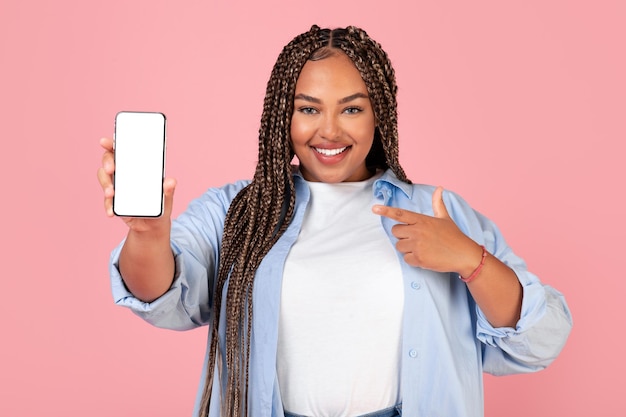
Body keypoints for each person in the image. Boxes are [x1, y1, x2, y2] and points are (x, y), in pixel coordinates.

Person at [97, 25, 572, 417]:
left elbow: (539, 340)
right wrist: (147, 232)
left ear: (377, 115)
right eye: (308, 109)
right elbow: (161, 297)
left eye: (351, 108)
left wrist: (470, 259)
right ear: (283, 116)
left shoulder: (438, 211)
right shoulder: (237, 212)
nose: (328, 130)